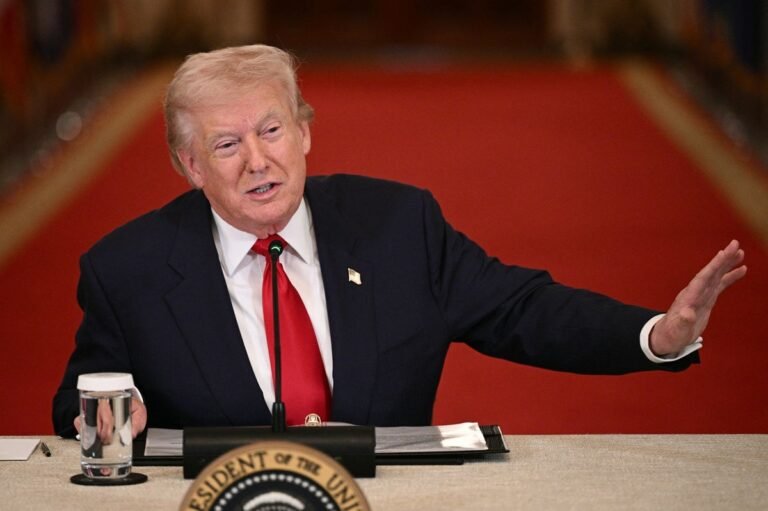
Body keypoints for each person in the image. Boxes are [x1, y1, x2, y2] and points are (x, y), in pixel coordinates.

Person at [52, 45, 747, 439]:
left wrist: (657, 334)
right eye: (227, 144)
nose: (257, 161)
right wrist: (109, 419)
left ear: (304, 133)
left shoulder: (398, 225)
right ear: (190, 166)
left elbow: (524, 310)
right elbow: (77, 405)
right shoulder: (128, 269)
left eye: (271, 131)